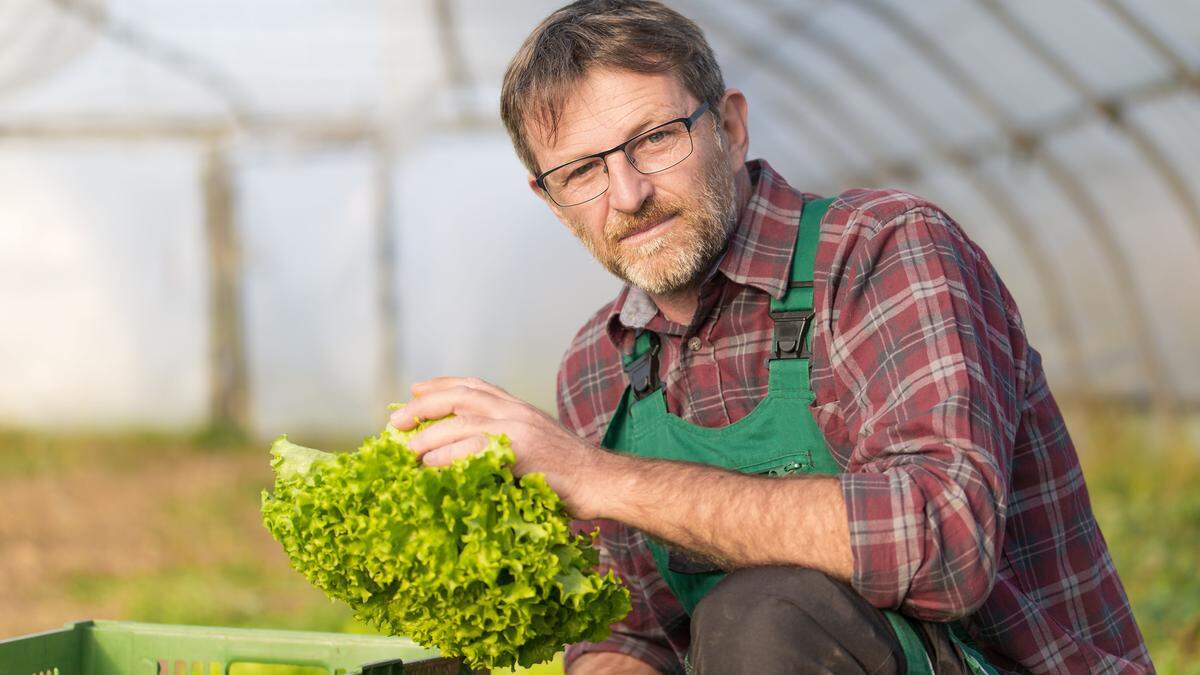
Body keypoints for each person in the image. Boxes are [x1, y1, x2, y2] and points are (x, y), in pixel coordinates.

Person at [390, 1, 1152, 672]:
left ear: (728, 124)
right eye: (583, 172)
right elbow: (641, 631)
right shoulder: (601, 366)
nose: (629, 195)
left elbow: (945, 543)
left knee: (763, 616)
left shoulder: (880, 251)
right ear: (552, 202)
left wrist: (597, 477)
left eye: (655, 139)